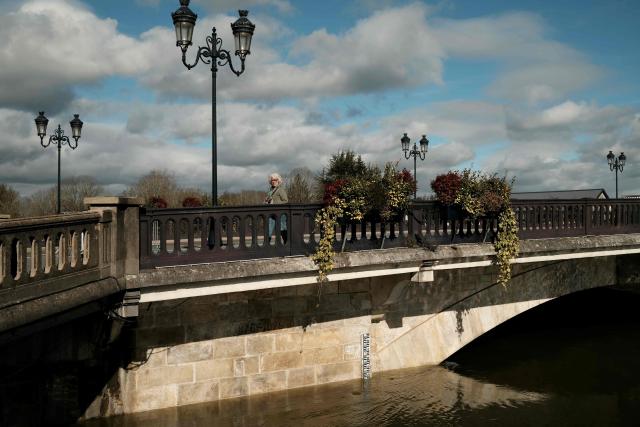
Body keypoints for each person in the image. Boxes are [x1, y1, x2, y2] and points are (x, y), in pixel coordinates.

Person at [265, 173, 288, 243]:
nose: (273, 181)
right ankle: (266, 246)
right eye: (272, 180)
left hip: (280, 214)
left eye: (275, 180)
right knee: (269, 230)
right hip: (271, 214)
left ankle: (286, 244)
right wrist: (266, 201)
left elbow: (286, 201)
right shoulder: (269, 190)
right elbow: (268, 199)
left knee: (282, 229)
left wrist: (274, 203)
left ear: (278, 181)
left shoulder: (280, 190)